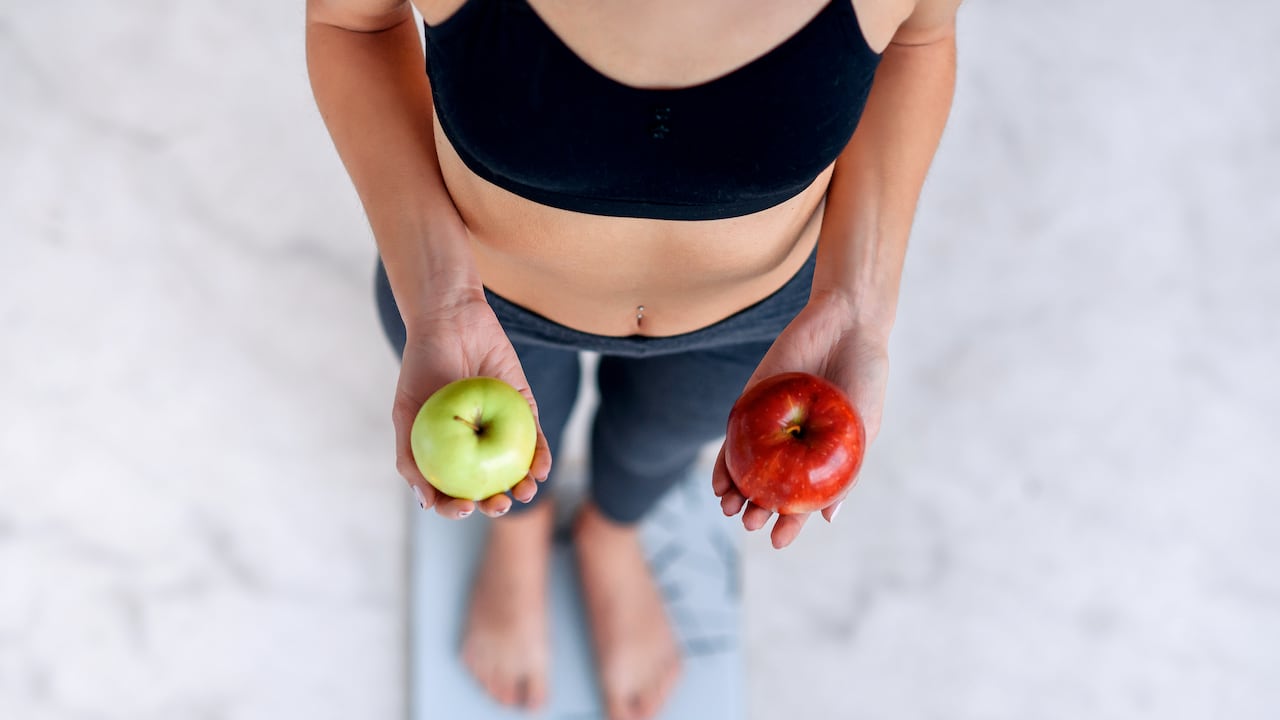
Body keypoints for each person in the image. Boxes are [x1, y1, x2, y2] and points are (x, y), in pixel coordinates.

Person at [306, 0, 959, 716]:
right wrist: (438, 297)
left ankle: (612, 533)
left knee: (657, 445)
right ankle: (519, 534)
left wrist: (857, 307)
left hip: (767, 322)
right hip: (477, 302)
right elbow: (354, 24)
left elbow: (918, 39)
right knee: (518, 457)